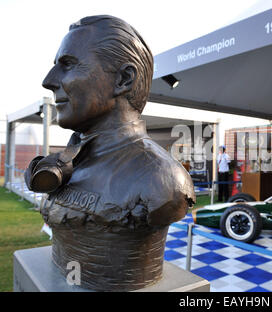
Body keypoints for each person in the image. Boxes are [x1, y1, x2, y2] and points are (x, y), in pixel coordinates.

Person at [25, 15, 195, 290]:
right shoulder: (71, 159)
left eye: (67, 65)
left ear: (123, 79)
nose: (49, 81)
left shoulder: (162, 179)